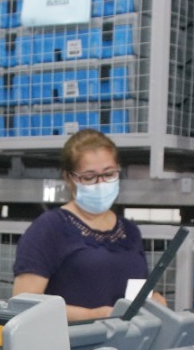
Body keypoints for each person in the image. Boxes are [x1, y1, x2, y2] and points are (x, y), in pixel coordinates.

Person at [12, 129, 157, 321]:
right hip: (71, 345)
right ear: (69, 179)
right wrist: (92, 316)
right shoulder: (49, 228)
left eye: (109, 174)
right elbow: (23, 305)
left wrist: (153, 302)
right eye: (89, 177)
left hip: (125, 345)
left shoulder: (129, 232)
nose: (101, 183)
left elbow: (137, 294)